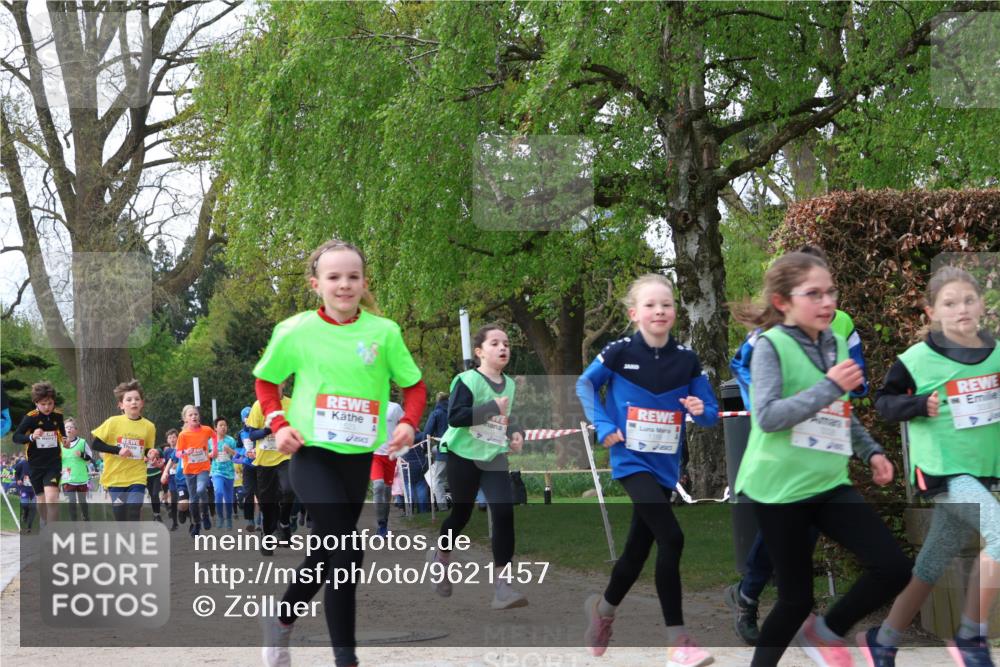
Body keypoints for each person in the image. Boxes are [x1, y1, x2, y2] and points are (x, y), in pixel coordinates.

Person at [731, 252, 911, 667]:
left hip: (828, 482)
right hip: (779, 489)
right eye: (814, 294)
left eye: (830, 291)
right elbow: (769, 416)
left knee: (893, 567)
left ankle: (826, 632)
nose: (827, 301)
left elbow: (840, 411)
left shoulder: (831, 341)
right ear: (783, 302)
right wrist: (829, 386)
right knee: (794, 600)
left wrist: (873, 452)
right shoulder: (769, 346)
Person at [254, 238, 426, 667]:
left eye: (353, 277)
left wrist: (407, 422)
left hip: (356, 460)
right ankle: (346, 659)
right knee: (347, 551)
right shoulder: (295, 330)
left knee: (325, 552)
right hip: (311, 456)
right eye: (334, 277)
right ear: (317, 284)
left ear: (364, 282)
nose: (344, 285)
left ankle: (280, 621)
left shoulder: (384, 333)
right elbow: (267, 382)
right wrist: (279, 423)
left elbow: (414, 386)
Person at [858, 266, 1000, 667]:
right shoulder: (917, 360)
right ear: (931, 312)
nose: (961, 310)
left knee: (930, 565)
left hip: (982, 468)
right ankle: (971, 635)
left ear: (982, 305)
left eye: (969, 300)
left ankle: (882, 640)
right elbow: (884, 403)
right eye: (950, 303)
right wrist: (919, 404)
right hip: (943, 471)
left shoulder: (996, 353)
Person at [576, 274, 719, 666]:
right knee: (671, 537)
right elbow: (585, 387)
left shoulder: (687, 359)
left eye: (667, 304)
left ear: (675, 312)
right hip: (629, 459)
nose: (660, 311)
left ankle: (603, 611)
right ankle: (678, 640)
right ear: (634, 313)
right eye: (651, 305)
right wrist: (604, 425)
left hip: (663, 466)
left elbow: (710, 413)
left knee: (637, 551)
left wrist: (699, 410)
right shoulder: (618, 352)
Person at [429, 324, 527, 610]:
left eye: (506, 343)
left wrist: (516, 433)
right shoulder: (467, 380)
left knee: (504, 512)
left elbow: (506, 417)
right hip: (463, 454)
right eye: (495, 343)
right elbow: (456, 417)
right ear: (480, 351)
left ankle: (502, 587)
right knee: (461, 514)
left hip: (494, 456)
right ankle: (441, 557)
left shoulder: (509, 384)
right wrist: (492, 408)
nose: (503, 348)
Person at [89, 380, 157, 522]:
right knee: (120, 514)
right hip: (116, 478)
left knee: (133, 508)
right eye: (129, 399)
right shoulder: (113, 422)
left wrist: (151, 453)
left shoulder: (149, 426)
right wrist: (118, 450)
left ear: (142, 403)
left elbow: (147, 449)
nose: (133, 402)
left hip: (136, 476)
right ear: (121, 405)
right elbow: (95, 444)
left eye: (137, 399)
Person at [246, 387, 294, 552]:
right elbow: (251, 435)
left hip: (285, 456)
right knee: (267, 503)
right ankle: (267, 535)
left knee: (288, 489)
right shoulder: (259, 405)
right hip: (264, 461)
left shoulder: (291, 404)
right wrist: (267, 430)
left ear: (283, 384)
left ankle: (284, 522)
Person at [12, 381, 67, 525]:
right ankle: (44, 523)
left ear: (53, 401)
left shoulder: (58, 416)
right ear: (36, 403)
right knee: (41, 499)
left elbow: (62, 432)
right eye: (43, 404)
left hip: (53, 463)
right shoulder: (31, 417)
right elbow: (16, 437)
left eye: (50, 403)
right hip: (35, 465)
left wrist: (65, 440)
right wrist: (31, 437)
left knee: (52, 496)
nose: (47, 407)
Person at [175, 405, 215, 535]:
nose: (194, 416)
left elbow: (214, 437)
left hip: (203, 467)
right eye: (190, 415)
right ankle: (197, 524)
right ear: (185, 419)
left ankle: (205, 514)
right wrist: (186, 451)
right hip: (189, 470)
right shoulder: (183, 435)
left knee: (201, 489)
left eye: (196, 414)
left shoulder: (206, 429)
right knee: (193, 499)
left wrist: (214, 450)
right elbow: (178, 454)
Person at [370, 401, 405, 536]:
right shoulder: (368, 404)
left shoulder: (394, 408)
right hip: (375, 454)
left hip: (390, 455)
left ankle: (384, 521)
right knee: (378, 486)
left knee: (386, 491)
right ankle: (380, 523)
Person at [60, 417, 93, 521]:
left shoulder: (82, 442)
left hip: (81, 477)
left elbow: (90, 458)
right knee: (71, 500)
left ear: (76, 430)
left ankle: (86, 517)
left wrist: (82, 455)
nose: (68, 429)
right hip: (67, 477)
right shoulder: (60, 444)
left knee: (82, 500)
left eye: (71, 427)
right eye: (66, 427)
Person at [423, 392, 450, 509]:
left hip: (444, 448)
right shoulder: (455, 410)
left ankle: (443, 506)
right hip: (460, 449)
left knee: (438, 479)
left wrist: (424, 448)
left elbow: (427, 432)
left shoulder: (437, 413)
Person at [210, 416, 238, 530]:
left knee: (228, 498)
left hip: (229, 473)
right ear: (215, 428)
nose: (223, 427)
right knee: (218, 492)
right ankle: (220, 517)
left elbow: (236, 455)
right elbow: (205, 455)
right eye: (221, 425)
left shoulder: (231, 440)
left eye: (225, 425)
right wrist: (212, 454)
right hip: (216, 472)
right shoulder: (210, 441)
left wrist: (229, 450)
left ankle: (229, 519)